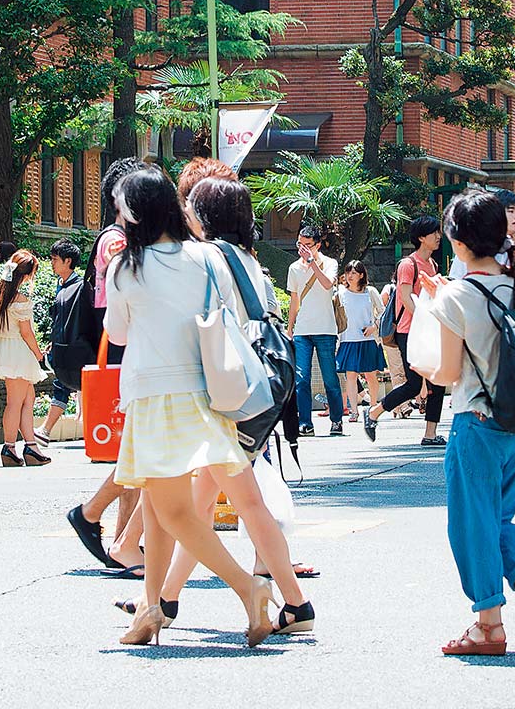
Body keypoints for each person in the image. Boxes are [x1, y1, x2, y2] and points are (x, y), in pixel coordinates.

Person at [130, 177, 313, 637]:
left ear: (206, 215)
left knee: (243, 502)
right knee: (201, 503)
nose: (185, 213)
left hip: (228, 390)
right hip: (256, 384)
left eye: (192, 207)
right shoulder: (247, 258)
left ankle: (293, 601)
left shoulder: (213, 258)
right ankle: (163, 601)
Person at [105, 167, 276, 648]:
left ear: (133, 212)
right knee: (161, 512)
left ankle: (250, 587)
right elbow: (231, 313)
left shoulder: (125, 267)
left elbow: (117, 334)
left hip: (154, 394)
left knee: (173, 512)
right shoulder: (208, 256)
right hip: (204, 392)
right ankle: (150, 608)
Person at [425, 188, 515, 656]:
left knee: (471, 524)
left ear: (456, 242)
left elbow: (445, 374)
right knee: (498, 518)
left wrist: (423, 369)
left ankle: (487, 624)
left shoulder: (456, 295)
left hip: (477, 422)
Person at [65, 157, 150, 572]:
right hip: (120, 347)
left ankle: (120, 537)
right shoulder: (116, 241)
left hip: (127, 346)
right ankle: (94, 516)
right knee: (137, 446)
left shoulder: (123, 237)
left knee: (137, 446)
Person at [363, 215, 447, 445]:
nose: (439, 237)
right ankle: (373, 412)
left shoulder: (432, 265)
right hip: (409, 331)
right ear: (421, 237)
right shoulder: (408, 265)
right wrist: (424, 317)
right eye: (434, 233)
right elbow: (405, 297)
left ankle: (430, 434)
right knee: (412, 384)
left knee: (437, 383)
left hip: (428, 330)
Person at [0, 248, 52, 467]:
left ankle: (30, 445)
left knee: (27, 399)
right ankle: (10, 446)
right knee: (15, 402)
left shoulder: (1, 295)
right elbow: (26, 332)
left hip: (5, 349)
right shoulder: (19, 298)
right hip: (18, 351)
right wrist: (39, 354)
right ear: (25, 274)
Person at [287, 225, 345, 437]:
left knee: (330, 377)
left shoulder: (330, 263)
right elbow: (294, 299)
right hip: (302, 330)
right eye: (299, 244)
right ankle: (305, 422)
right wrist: (289, 327)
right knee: (301, 378)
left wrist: (312, 263)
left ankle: (337, 419)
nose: (302, 249)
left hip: (325, 329)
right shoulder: (294, 268)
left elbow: (328, 284)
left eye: (307, 245)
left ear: (317, 245)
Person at [41, 240, 87, 443]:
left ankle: (45, 430)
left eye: (55, 259)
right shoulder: (61, 285)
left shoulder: (80, 287)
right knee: (64, 384)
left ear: (68, 261)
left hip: (74, 346)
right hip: (61, 344)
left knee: (63, 384)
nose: (51, 263)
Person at [334, 261, 384, 417]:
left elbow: (383, 312)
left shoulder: (370, 292)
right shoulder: (340, 293)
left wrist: (374, 326)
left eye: (354, 272)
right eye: (348, 272)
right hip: (348, 339)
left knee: (370, 374)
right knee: (351, 375)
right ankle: (353, 411)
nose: (350, 276)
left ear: (361, 275)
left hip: (368, 338)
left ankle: (373, 406)